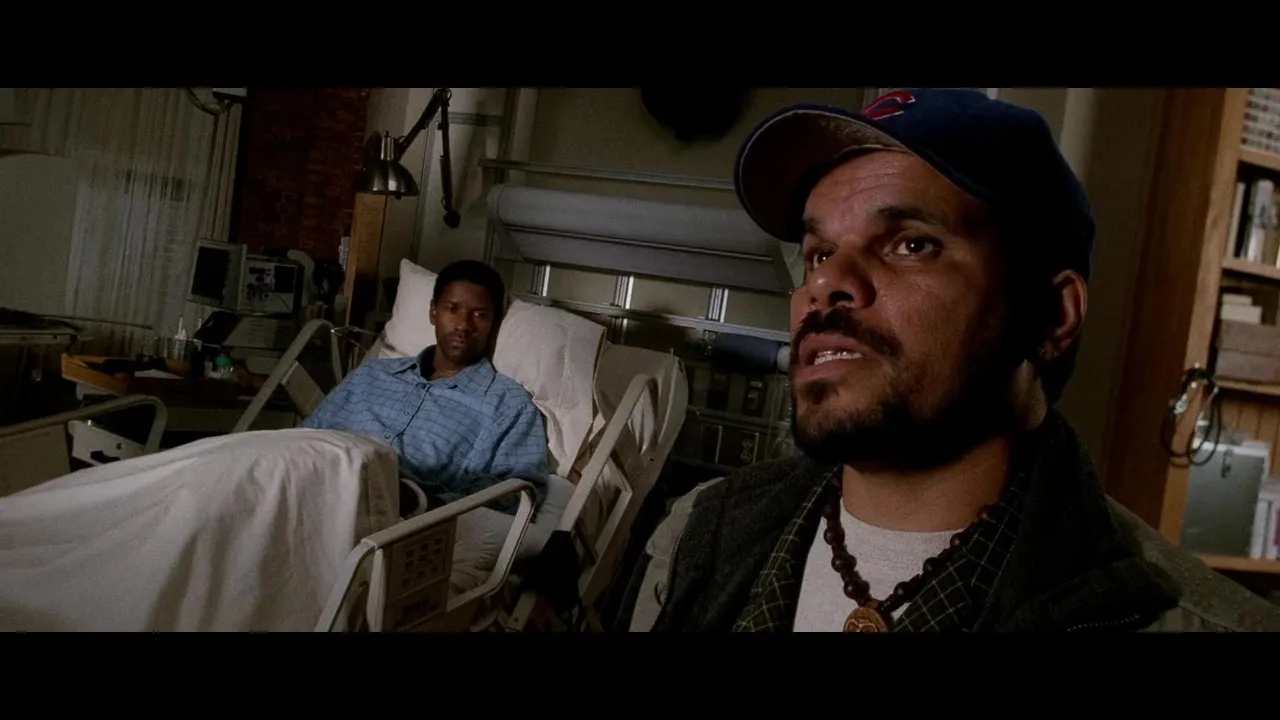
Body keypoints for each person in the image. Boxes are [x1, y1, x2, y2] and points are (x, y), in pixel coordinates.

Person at [632, 89, 1280, 632]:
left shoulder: (1178, 620)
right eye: (820, 253)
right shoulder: (697, 536)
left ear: (1053, 316)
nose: (825, 284)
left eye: (912, 244)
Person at [304, 259, 547, 514]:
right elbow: (306, 437)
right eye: (452, 309)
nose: (464, 325)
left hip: (394, 517)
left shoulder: (508, 406)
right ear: (433, 312)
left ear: (494, 324)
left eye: (480, 315)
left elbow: (519, 495)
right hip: (315, 484)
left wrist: (420, 501)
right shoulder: (372, 374)